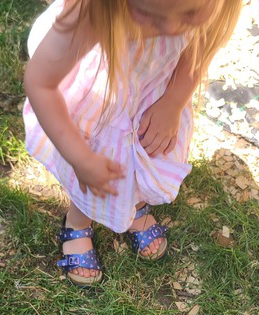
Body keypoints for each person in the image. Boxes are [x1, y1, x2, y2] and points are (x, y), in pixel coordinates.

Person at [23, 0, 242, 286]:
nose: (172, 28)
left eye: (190, 14)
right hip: (102, 108)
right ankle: (78, 221)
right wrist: (80, 157)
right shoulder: (92, 12)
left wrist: (173, 102)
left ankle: (134, 205)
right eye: (147, 13)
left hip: (153, 97)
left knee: (148, 152)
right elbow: (40, 83)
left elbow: (199, 49)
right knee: (98, 177)